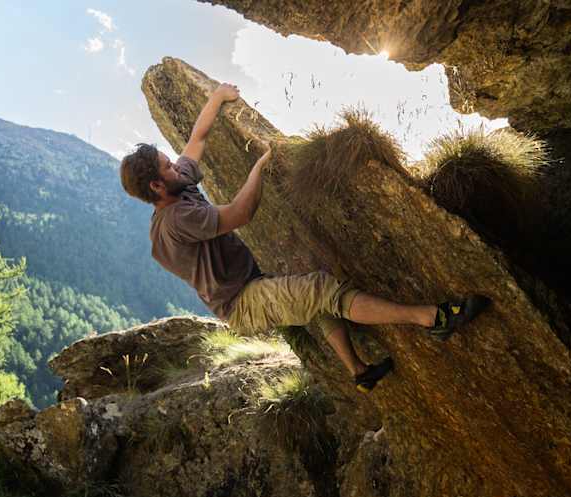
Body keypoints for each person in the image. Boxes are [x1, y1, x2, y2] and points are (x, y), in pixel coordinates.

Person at [120, 82, 490, 393]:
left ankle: (359, 372)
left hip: (247, 284)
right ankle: (433, 318)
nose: (176, 164)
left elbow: (196, 140)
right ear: (156, 185)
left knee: (312, 300)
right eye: (167, 166)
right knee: (323, 291)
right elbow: (240, 214)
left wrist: (217, 96)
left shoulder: (176, 186)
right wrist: (259, 168)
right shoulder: (177, 219)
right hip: (242, 303)